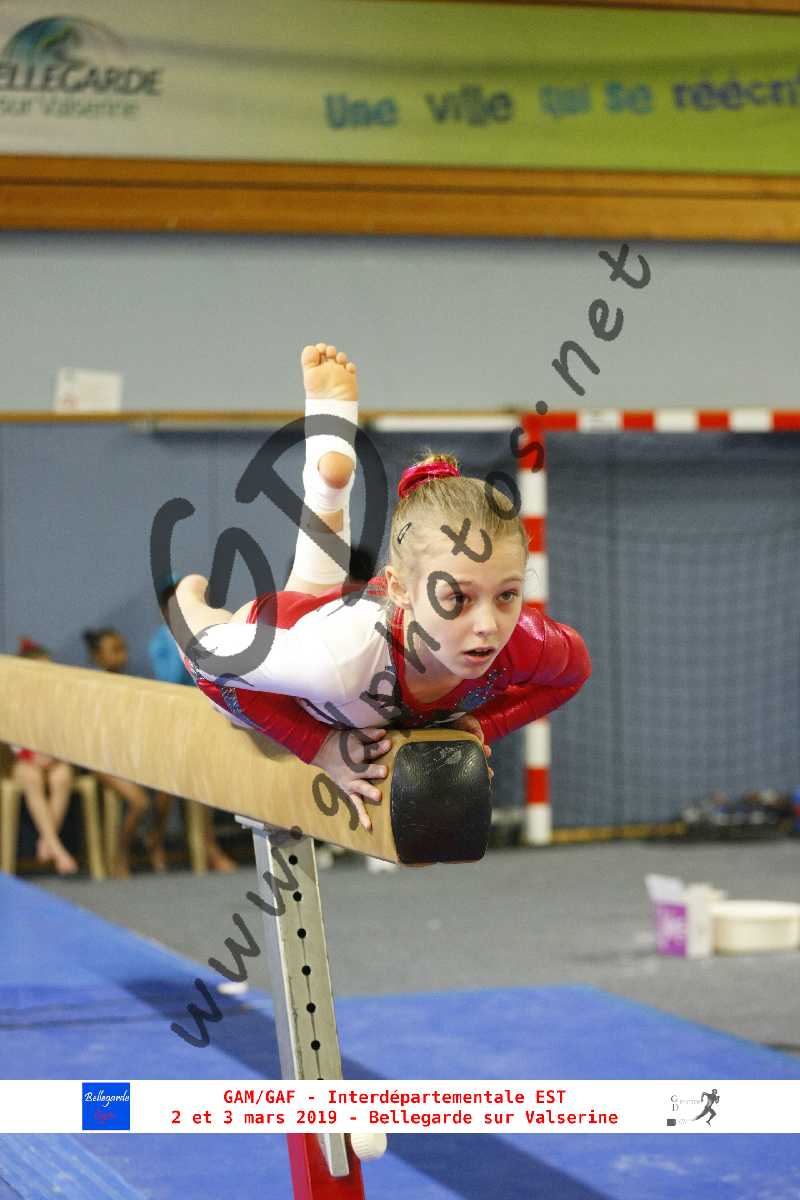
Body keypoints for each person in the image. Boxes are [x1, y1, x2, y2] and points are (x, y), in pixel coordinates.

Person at [167, 342, 591, 835]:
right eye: (457, 598)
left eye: (507, 595)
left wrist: (485, 725)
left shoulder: (523, 642)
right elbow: (206, 664)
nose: (488, 626)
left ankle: (329, 477)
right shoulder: (339, 664)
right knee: (217, 656)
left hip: (340, 619)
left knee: (317, 593)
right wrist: (319, 746)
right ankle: (186, 597)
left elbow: (573, 673)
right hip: (287, 635)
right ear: (401, 588)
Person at [147, 610, 236, 872]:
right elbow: (170, 679)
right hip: (171, 719)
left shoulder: (201, 633)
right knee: (166, 789)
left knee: (203, 782)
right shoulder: (160, 642)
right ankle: (155, 838)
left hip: (200, 718)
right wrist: (181, 641)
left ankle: (207, 844)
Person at [82, 627, 150, 877]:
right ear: (98, 656)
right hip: (98, 759)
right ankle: (120, 854)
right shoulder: (91, 686)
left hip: (124, 758)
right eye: (115, 650)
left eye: (124, 648)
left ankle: (153, 841)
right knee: (140, 802)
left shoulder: (129, 684)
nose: (123, 655)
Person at [9, 639, 78, 875]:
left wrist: (54, 756)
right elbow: (13, 737)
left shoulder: (57, 701)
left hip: (54, 760)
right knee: (31, 777)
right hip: (25, 762)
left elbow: (66, 735)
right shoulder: (16, 702)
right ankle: (55, 847)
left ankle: (47, 841)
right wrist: (31, 756)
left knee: (62, 777)